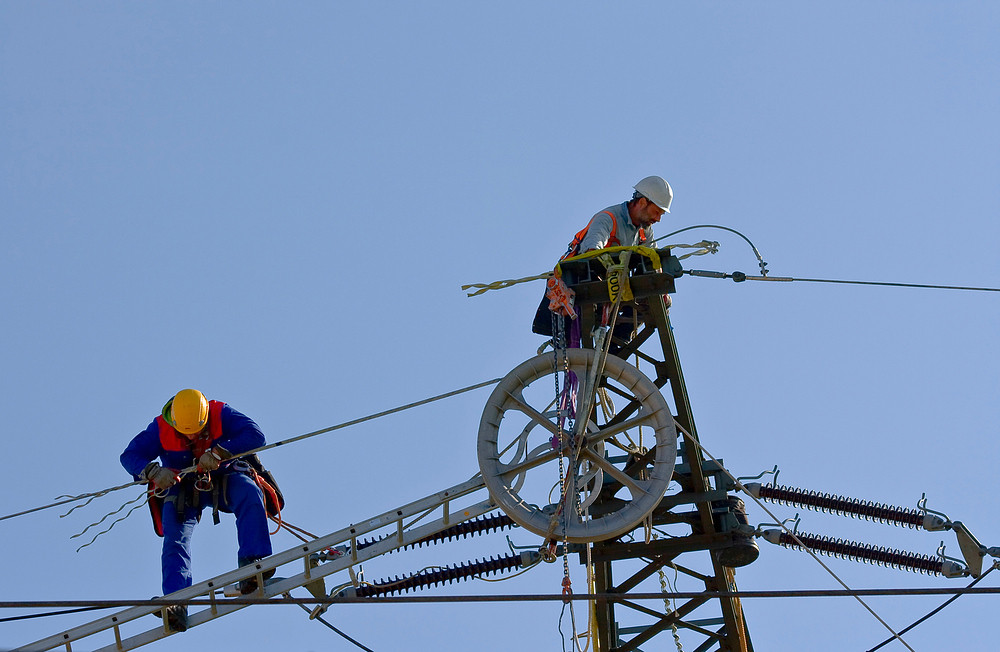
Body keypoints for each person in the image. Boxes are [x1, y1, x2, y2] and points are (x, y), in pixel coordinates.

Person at [120, 389, 273, 632]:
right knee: (175, 537)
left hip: (223, 477)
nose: (193, 435)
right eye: (186, 432)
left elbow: (255, 435)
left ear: (205, 416)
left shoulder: (220, 413)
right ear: (174, 422)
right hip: (182, 489)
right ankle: (176, 601)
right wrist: (152, 471)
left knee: (249, 493)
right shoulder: (160, 428)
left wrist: (221, 452)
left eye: (199, 430)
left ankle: (252, 563)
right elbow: (130, 456)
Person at [532, 176, 674, 336]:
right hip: (581, 282)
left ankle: (619, 339)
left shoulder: (644, 231)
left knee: (655, 293)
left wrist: (663, 291)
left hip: (614, 288)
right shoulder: (608, 219)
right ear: (642, 202)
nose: (658, 219)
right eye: (656, 212)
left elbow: (653, 260)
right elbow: (592, 251)